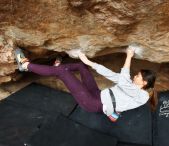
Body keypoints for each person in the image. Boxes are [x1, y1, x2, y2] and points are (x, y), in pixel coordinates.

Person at [14, 46, 157, 122]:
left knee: (63, 72)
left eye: (137, 76)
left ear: (144, 82)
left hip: (93, 103)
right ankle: (56, 67)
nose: (135, 76)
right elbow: (109, 73)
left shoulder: (142, 96)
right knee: (82, 67)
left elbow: (124, 78)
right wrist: (88, 61)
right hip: (97, 94)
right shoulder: (128, 83)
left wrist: (129, 56)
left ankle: (25, 65)